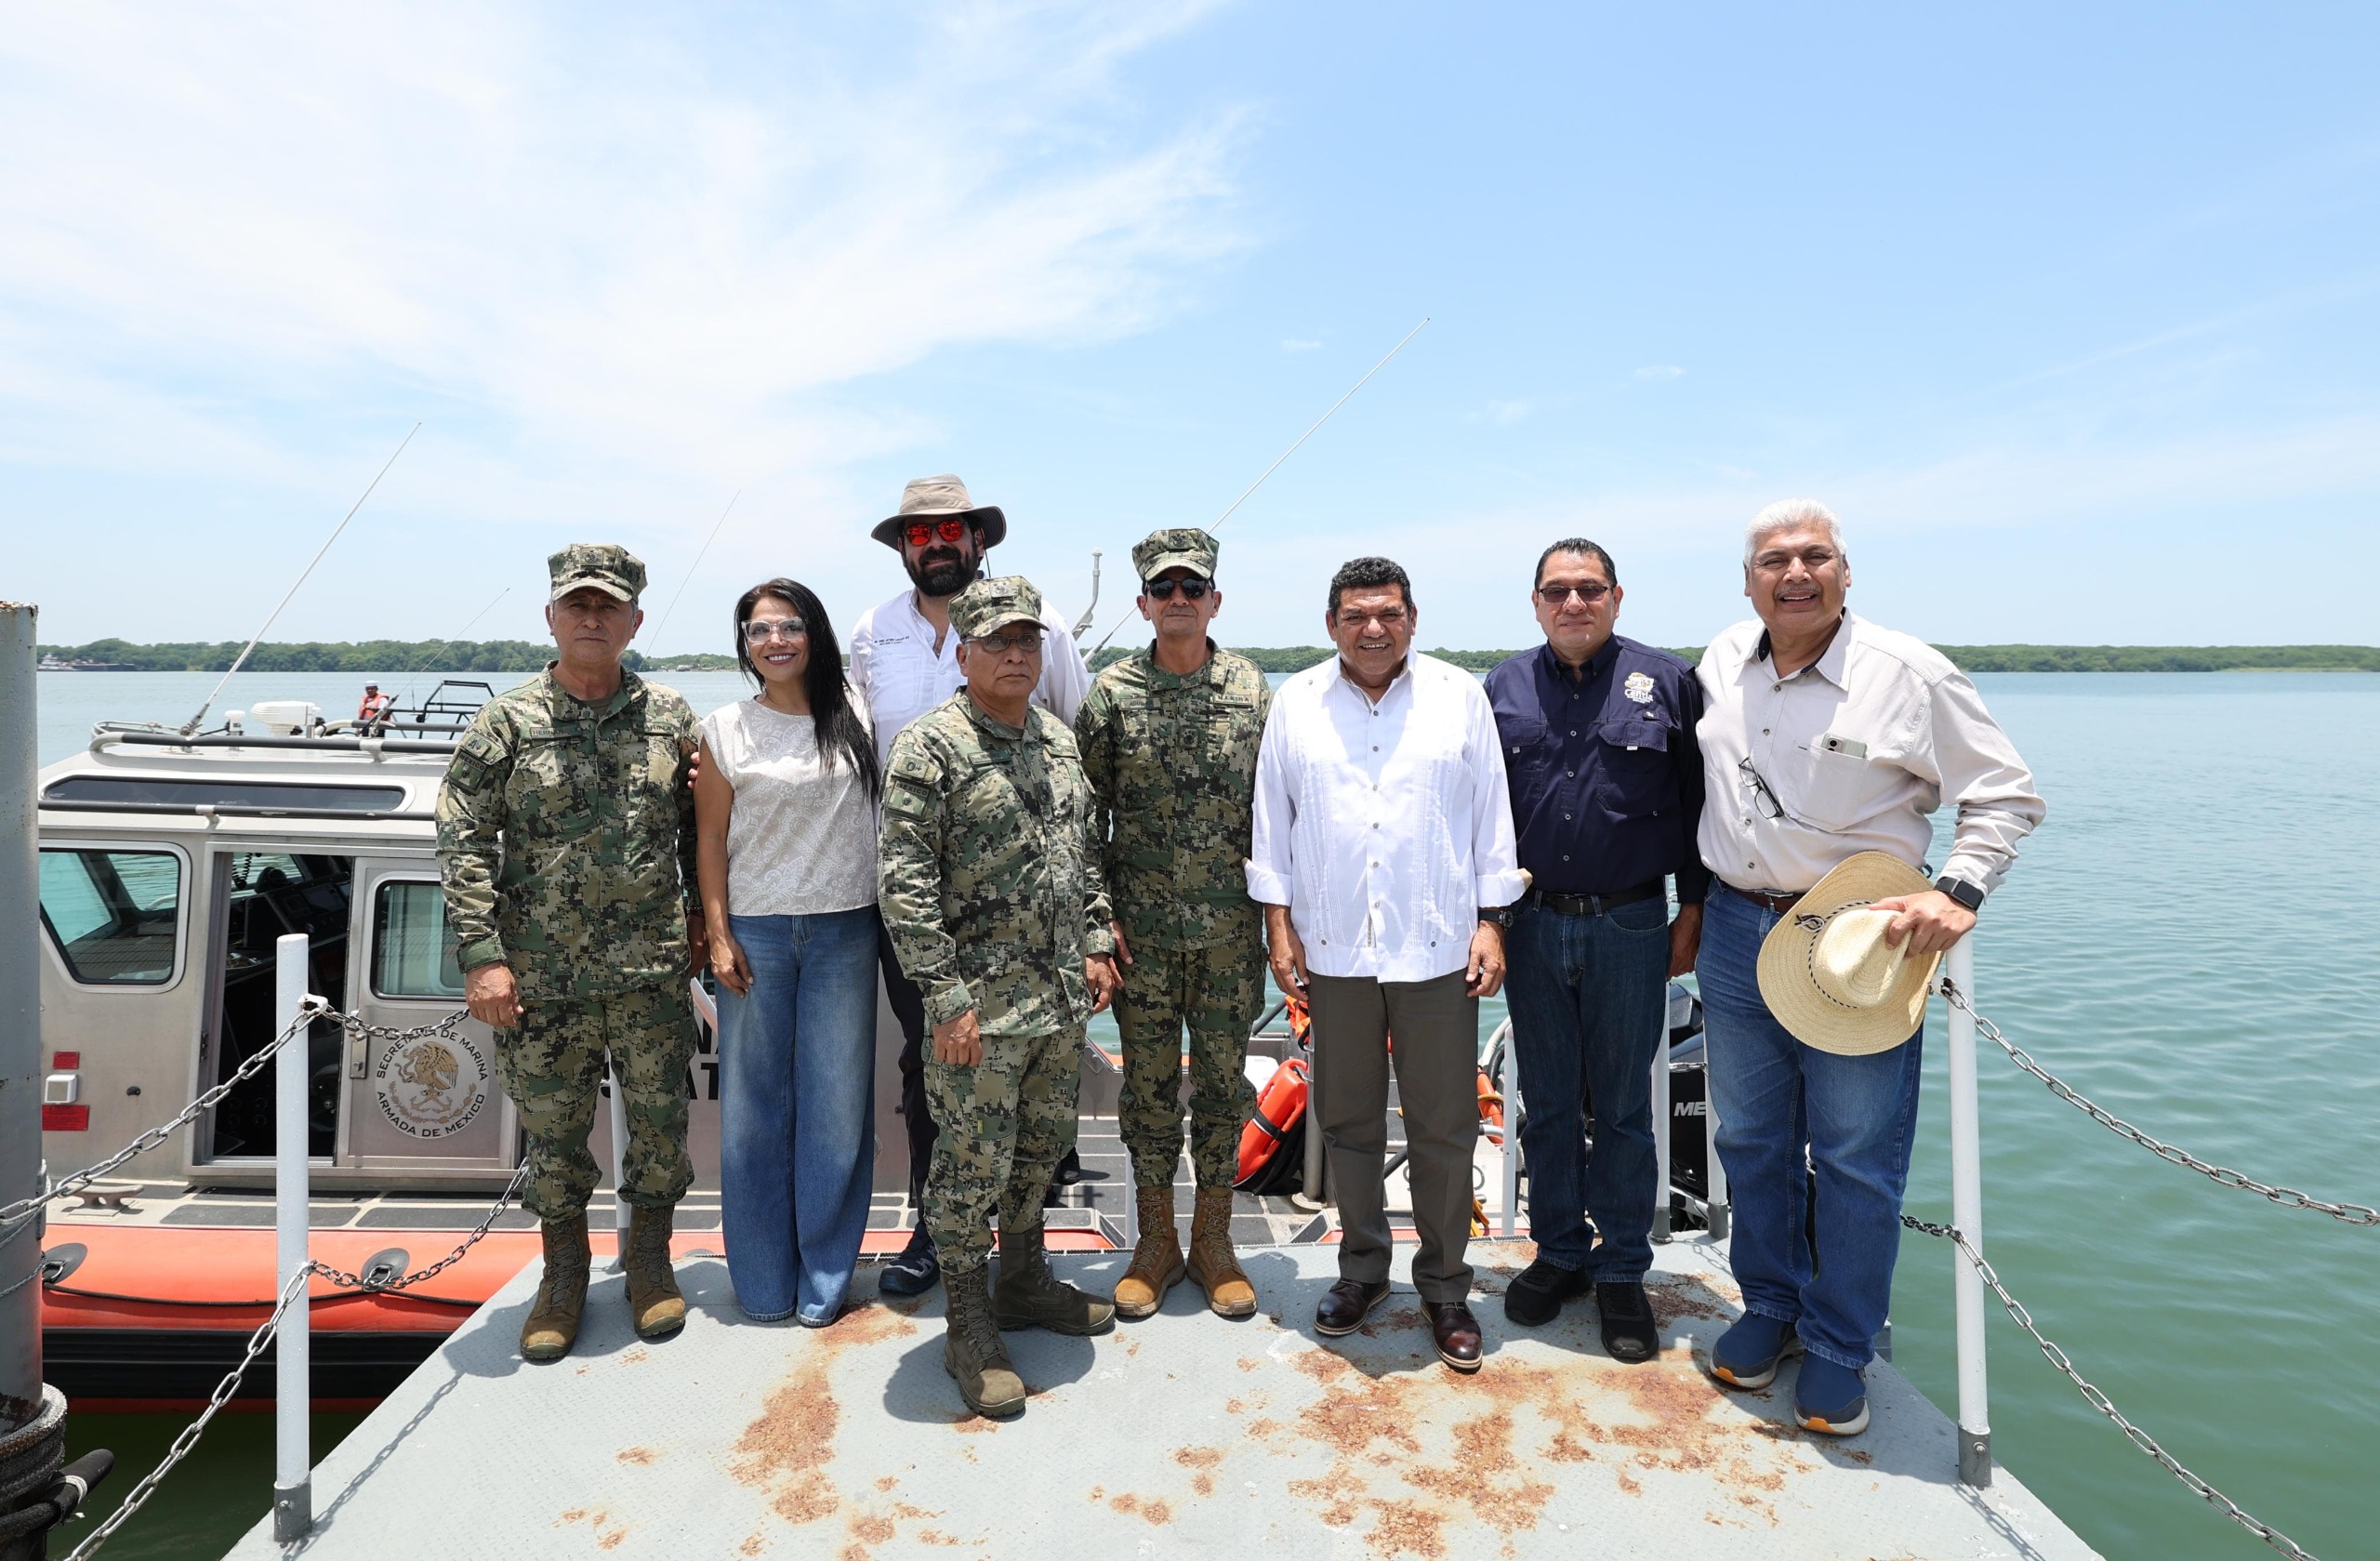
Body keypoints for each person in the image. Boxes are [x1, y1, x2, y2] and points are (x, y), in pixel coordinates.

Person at [1694, 498, 2043, 1435]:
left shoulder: (1908, 672)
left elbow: (2003, 793)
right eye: (1774, 558)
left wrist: (1958, 892)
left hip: (1860, 941)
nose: (1794, 571)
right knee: (1750, 1137)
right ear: (1748, 580)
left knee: (1852, 1151)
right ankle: (1768, 1304)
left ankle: (1841, 1343)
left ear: (1846, 573)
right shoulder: (1722, 660)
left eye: (1815, 556)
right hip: (1734, 930)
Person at [1247, 556, 1527, 1373]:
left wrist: (1491, 920)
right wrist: (1279, 924)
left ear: (1413, 618)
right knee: (1347, 1120)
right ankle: (1362, 1270)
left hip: (1438, 944)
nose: (1374, 627)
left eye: (1389, 612)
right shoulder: (1294, 702)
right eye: (1357, 614)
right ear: (1331, 623)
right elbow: (1274, 820)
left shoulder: (1458, 698)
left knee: (1446, 1124)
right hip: (1333, 945)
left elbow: (1492, 818)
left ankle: (1444, 1285)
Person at [438, 545, 706, 1363]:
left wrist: (705, 923)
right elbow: (462, 837)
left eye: (608, 606)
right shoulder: (506, 723)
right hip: (543, 977)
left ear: (633, 620)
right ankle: (562, 1274)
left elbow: (705, 831)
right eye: (577, 605)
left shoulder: (671, 716)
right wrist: (483, 956)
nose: (592, 618)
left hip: (651, 972)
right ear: (551, 617)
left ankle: (650, 1262)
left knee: (661, 1124)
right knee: (554, 1134)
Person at [877, 575, 1123, 1418]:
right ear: (963, 650)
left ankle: (1022, 1276)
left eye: (1029, 640)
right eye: (998, 640)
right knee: (969, 1163)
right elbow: (903, 884)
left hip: (1055, 1003)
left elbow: (1084, 854)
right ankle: (967, 1316)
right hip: (977, 1011)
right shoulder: (930, 747)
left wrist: (1095, 940)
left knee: (1037, 1148)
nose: (1017, 653)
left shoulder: (1056, 739)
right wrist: (944, 997)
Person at [849, 474, 1093, 1298]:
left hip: (1032, 921)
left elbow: (1064, 740)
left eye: (951, 530)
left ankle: (1025, 1254)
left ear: (978, 540)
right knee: (936, 1064)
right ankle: (938, 1230)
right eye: (921, 535)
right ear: (904, 548)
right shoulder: (871, 633)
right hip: (928, 919)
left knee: (1037, 1080)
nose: (938, 544)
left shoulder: (1044, 625)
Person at [1484, 538, 1708, 1362]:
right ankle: (1560, 1254)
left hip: (1633, 922)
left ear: (1616, 596)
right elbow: (1481, 814)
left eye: (1589, 589)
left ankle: (1621, 1271)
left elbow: (1700, 806)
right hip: (1533, 922)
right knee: (1543, 1100)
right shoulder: (1501, 686)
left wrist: (1696, 912)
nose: (1573, 603)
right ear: (1535, 602)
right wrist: (1488, 919)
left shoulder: (1670, 682)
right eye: (1557, 591)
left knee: (1621, 1107)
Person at [1074, 528, 1271, 1320]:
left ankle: (1215, 1241)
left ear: (1215, 599)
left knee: (1223, 1089)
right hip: (1142, 938)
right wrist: (1096, 927)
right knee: (1149, 1093)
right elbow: (1082, 822)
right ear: (1144, 604)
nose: (1180, 599)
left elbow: (1283, 816)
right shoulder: (1111, 696)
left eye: (1194, 587)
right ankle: (1155, 1241)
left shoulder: (1254, 690)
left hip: (1230, 935)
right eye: (1165, 589)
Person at [694, 578, 881, 1328]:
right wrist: (717, 930)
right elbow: (709, 837)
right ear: (744, 644)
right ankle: (763, 1278)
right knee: (753, 1110)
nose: (776, 640)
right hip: (757, 930)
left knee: (837, 1109)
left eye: (790, 625)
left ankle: (826, 1275)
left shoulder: (858, 715)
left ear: (815, 633)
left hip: (846, 927)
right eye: (759, 629)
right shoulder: (724, 729)